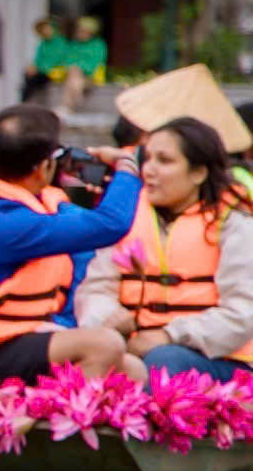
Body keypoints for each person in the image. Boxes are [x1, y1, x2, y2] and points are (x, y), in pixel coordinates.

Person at [0, 104, 139, 385]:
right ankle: (65, 421)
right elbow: (111, 224)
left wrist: (106, 185)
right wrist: (128, 165)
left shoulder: (18, 200)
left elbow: (94, 224)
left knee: (133, 371)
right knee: (104, 345)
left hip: (5, 338)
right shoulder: (4, 222)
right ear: (43, 168)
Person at [76, 118, 253, 383]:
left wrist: (169, 335)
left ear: (199, 173)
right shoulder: (127, 218)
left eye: (165, 161)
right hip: (134, 350)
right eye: (147, 159)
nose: (148, 170)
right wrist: (106, 318)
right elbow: (95, 289)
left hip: (218, 360)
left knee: (164, 360)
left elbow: (243, 311)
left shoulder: (235, 225)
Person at [65, 16, 107, 112]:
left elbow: (96, 63)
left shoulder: (98, 45)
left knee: (74, 75)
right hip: (75, 76)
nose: (79, 33)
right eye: (79, 30)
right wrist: (75, 68)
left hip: (91, 77)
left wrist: (79, 67)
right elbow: (67, 60)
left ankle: (68, 106)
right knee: (74, 76)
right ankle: (77, 100)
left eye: (83, 31)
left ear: (91, 32)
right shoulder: (74, 44)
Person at [24, 17, 66, 104]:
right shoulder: (43, 44)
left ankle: (27, 102)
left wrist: (40, 68)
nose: (45, 31)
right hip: (43, 71)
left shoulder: (60, 42)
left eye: (47, 28)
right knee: (28, 75)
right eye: (43, 29)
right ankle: (27, 101)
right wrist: (33, 66)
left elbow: (58, 59)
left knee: (34, 79)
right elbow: (38, 59)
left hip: (55, 71)